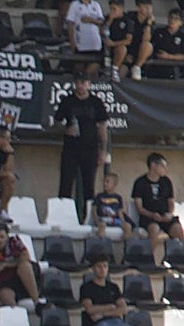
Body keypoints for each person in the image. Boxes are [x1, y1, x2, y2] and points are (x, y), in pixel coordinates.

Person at [80, 251, 154, 326]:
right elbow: (90, 309)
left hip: (117, 322)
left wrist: (103, 313)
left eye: (105, 266)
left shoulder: (113, 287)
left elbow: (123, 309)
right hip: (98, 324)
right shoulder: (86, 288)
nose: (102, 269)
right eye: (99, 266)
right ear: (93, 269)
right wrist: (110, 306)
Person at [55, 76, 108, 214]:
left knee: (89, 185)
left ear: (89, 84)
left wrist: (103, 150)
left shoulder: (96, 102)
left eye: (83, 83)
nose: (80, 86)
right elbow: (56, 122)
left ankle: (88, 216)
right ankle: (63, 215)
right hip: (71, 148)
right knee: (66, 183)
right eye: (78, 82)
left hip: (90, 148)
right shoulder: (67, 101)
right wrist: (66, 130)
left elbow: (102, 126)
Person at [132, 152, 184, 243]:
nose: (165, 169)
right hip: (148, 217)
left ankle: (183, 256)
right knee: (154, 229)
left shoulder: (166, 181)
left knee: (178, 230)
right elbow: (139, 208)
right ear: (153, 165)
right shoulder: (140, 182)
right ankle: (151, 256)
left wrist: (169, 214)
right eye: (163, 166)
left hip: (165, 216)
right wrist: (152, 215)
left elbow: (171, 202)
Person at [67, 0, 106, 77]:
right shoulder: (74, 5)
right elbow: (70, 25)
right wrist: (72, 43)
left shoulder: (96, 5)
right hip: (80, 45)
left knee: (91, 71)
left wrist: (91, 20)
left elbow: (101, 22)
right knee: (79, 71)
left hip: (95, 46)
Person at [90, 172, 134, 240]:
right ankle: (102, 244)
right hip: (103, 219)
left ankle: (122, 245)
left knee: (128, 226)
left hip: (114, 219)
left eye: (107, 182)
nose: (105, 184)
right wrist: (96, 220)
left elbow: (120, 211)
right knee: (102, 226)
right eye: (104, 181)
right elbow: (94, 209)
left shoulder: (118, 197)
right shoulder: (100, 196)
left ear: (114, 184)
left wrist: (122, 220)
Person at [147, 9, 184, 78]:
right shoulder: (159, 32)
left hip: (173, 68)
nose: (172, 20)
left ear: (181, 22)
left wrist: (168, 56)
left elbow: (183, 56)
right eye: (171, 17)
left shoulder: (183, 37)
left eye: (176, 19)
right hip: (156, 66)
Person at [125, 0, 155, 80]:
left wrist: (148, 24)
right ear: (138, 7)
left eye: (149, 6)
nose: (148, 8)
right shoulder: (129, 17)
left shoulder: (150, 22)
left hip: (142, 54)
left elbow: (146, 40)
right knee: (122, 72)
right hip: (129, 51)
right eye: (145, 6)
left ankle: (137, 67)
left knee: (147, 46)